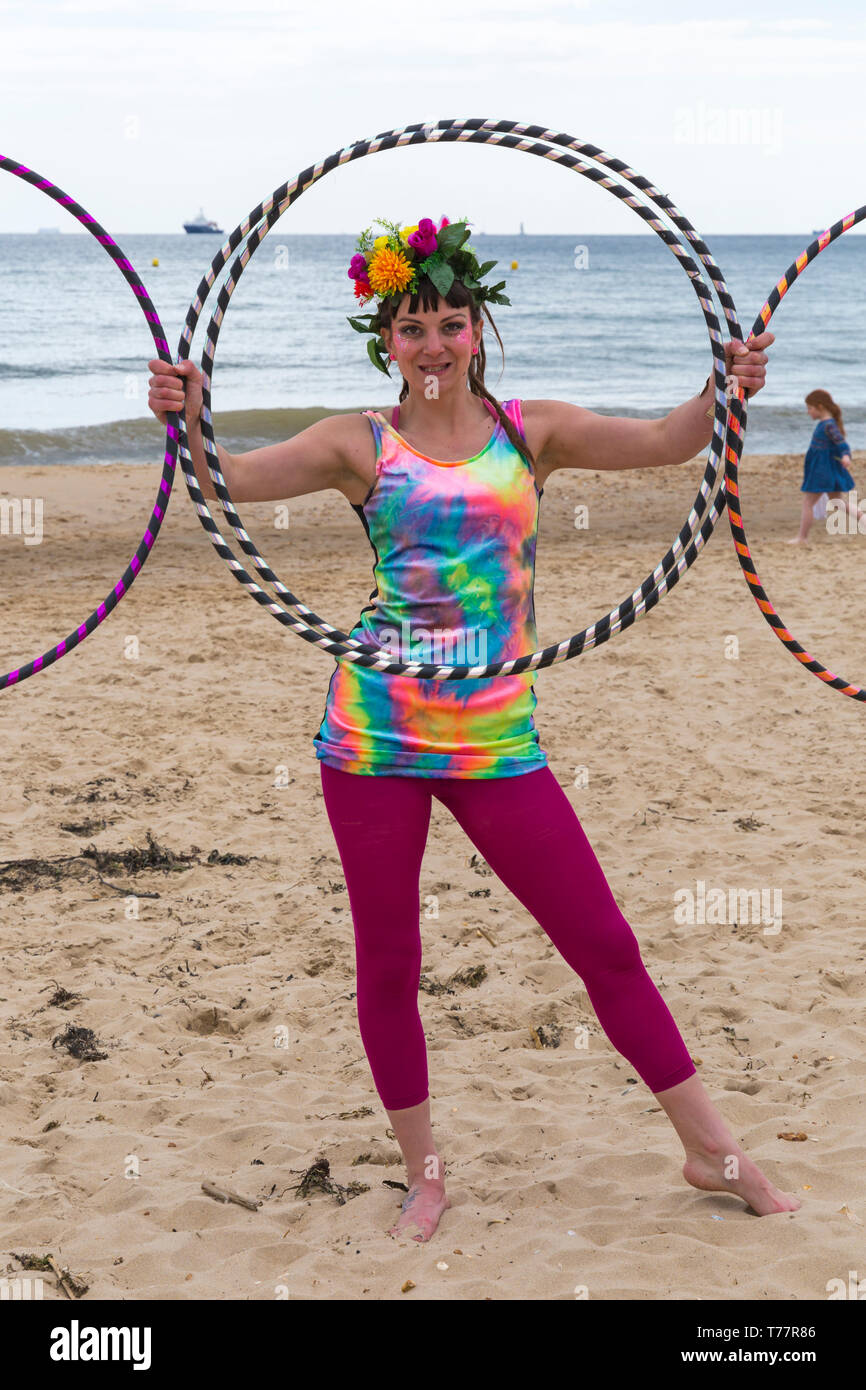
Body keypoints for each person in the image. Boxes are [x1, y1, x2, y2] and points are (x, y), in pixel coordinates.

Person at [148, 214, 797, 1244]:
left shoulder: (528, 433)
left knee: (604, 945)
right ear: (386, 340)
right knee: (389, 963)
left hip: (496, 736)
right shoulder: (357, 443)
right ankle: (425, 1173)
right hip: (374, 737)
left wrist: (726, 388)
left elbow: (671, 442)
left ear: (478, 331)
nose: (436, 343)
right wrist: (182, 416)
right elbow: (224, 479)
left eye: (453, 321)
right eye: (414, 326)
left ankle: (711, 1148)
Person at [787, 389, 863, 543]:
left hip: (822, 472)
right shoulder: (827, 424)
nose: (808, 412)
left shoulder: (828, 425)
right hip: (826, 471)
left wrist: (846, 455)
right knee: (838, 503)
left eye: (810, 408)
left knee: (808, 503)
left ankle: (802, 537)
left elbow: (841, 443)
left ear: (820, 407)